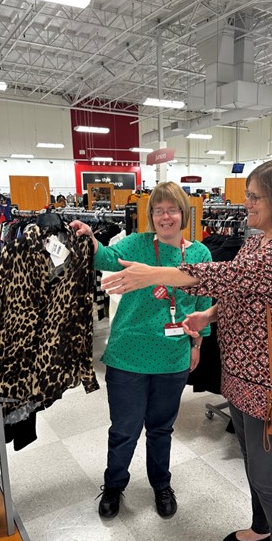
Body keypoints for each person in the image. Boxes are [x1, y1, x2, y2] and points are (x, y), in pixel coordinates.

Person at [101, 157, 272, 541]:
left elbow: (226, 277)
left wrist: (153, 274)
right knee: (253, 462)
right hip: (242, 376)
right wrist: (210, 314)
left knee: (269, 475)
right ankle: (262, 527)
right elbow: (243, 291)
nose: (247, 203)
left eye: (255, 196)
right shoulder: (259, 243)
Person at [70, 182, 212, 520]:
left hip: (173, 356)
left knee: (161, 429)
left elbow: (203, 301)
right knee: (124, 430)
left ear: (184, 214)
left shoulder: (199, 255)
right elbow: (102, 256)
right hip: (128, 356)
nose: (166, 217)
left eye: (172, 209)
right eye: (159, 210)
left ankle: (161, 484)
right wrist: (90, 237)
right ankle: (114, 486)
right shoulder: (135, 244)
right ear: (151, 216)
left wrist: (197, 344)